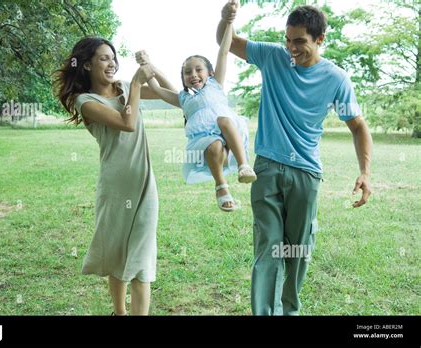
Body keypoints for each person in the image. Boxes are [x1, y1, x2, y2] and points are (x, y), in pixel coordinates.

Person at [217, 1, 373, 315]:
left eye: (299, 41)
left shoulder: (335, 79)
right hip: (267, 168)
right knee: (268, 249)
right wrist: (225, 19)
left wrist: (365, 172)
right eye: (288, 40)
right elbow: (227, 41)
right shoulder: (273, 57)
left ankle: (289, 310)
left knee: (298, 251)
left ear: (320, 40)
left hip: (306, 173)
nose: (291, 48)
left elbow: (357, 126)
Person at [53, 37, 176, 315]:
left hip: (143, 183)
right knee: (118, 252)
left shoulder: (123, 88)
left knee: (142, 260)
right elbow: (126, 123)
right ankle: (119, 312)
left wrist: (151, 68)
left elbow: (173, 95)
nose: (112, 64)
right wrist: (135, 84)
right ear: (86, 65)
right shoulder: (86, 101)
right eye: (104, 58)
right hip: (115, 187)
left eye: (113, 57)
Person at [147, 18, 256, 213]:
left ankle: (244, 165)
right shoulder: (182, 98)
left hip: (230, 131)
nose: (193, 74)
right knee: (213, 145)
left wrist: (229, 21)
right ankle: (222, 187)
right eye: (187, 72)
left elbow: (223, 51)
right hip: (207, 141)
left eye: (199, 69)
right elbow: (156, 89)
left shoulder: (216, 84)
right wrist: (146, 66)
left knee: (223, 120)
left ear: (210, 73)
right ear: (183, 78)